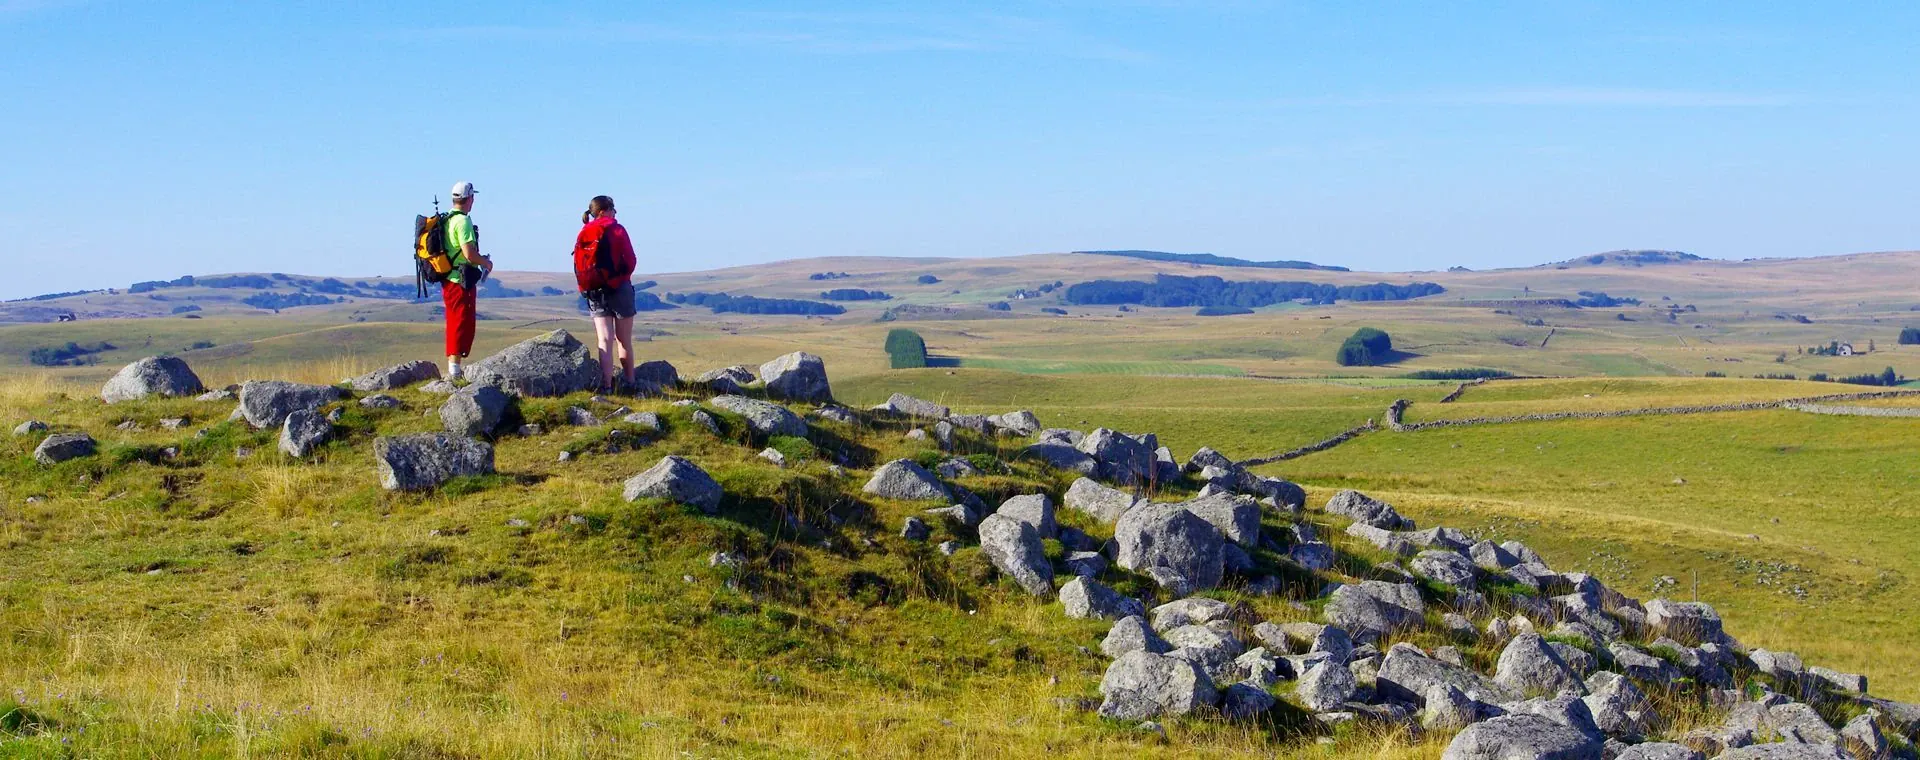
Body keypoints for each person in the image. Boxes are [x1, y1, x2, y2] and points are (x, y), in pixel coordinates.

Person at [574, 195, 638, 392]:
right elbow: (631, 260)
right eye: (613, 209)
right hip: (619, 288)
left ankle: (607, 386)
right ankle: (630, 382)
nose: (615, 213)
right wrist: (620, 278)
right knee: (623, 339)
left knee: (604, 339)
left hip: (594, 290)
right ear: (604, 211)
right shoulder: (617, 229)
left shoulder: (584, 231)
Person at [442, 181, 492, 380]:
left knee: (456, 320)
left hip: (449, 277)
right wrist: (486, 262)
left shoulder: (447, 219)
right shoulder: (463, 221)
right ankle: (454, 370)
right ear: (470, 198)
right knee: (460, 322)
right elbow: (469, 253)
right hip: (460, 280)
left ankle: (455, 367)